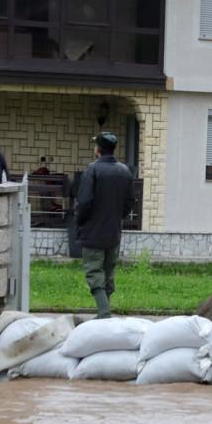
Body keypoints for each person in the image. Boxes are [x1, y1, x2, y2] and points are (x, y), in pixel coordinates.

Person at [76, 132, 135, 319]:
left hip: (93, 233)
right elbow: (129, 202)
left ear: (98, 149)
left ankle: (103, 312)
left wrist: (81, 221)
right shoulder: (124, 171)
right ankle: (104, 312)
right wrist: (118, 217)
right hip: (113, 232)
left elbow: (84, 202)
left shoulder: (92, 170)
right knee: (108, 274)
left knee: (94, 273)